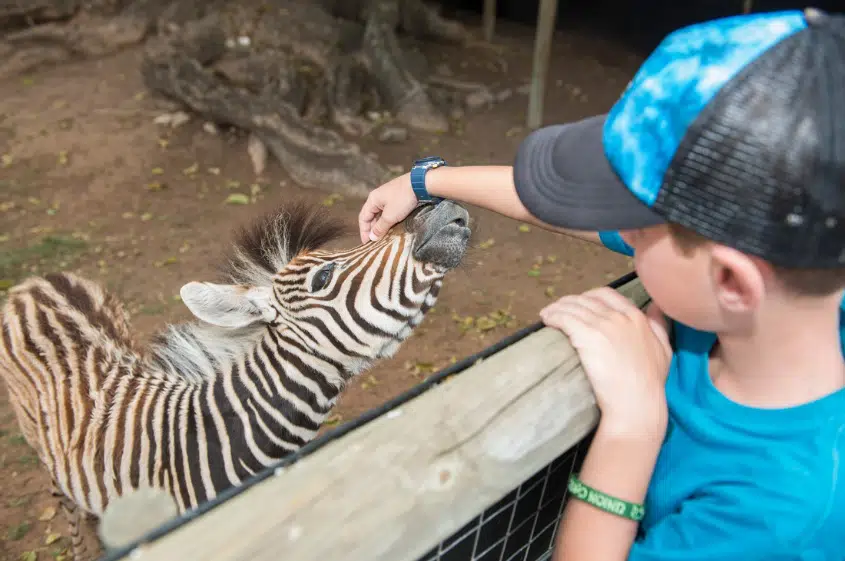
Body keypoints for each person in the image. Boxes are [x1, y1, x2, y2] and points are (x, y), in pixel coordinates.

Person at [358, 7, 845, 561]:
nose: (620, 232)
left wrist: (632, 429)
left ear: (732, 281)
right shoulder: (800, 268)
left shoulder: (785, 517)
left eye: (636, 225)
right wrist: (426, 181)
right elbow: (575, 211)